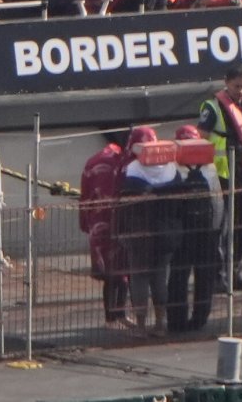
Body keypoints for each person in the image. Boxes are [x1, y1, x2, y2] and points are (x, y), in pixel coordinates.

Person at [116, 127, 182, 336]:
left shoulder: (134, 169)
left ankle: (141, 325)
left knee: (139, 277)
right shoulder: (172, 168)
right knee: (161, 276)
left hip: (140, 232)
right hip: (167, 231)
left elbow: (124, 202)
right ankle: (161, 323)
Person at [198, 65, 242, 292]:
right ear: (226, 83)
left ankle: (234, 274)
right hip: (221, 177)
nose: (241, 91)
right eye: (236, 86)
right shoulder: (211, 107)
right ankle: (218, 277)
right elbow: (201, 139)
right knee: (221, 230)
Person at [166, 125, 224, 332]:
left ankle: (176, 319)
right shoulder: (209, 167)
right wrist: (217, 230)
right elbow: (217, 201)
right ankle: (200, 318)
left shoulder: (172, 166)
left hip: (183, 231)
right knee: (205, 276)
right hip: (207, 230)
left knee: (178, 275)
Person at [78, 142, 133, 328]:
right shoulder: (122, 162)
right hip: (120, 220)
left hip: (97, 221)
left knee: (108, 272)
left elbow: (85, 195)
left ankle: (111, 317)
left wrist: (84, 221)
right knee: (122, 270)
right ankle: (119, 314)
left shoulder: (92, 162)